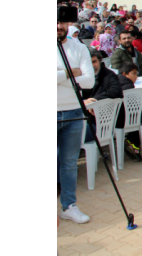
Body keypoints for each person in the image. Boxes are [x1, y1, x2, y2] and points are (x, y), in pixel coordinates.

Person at [57, 21, 95, 224]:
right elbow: (81, 76)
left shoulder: (79, 47)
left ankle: (69, 206)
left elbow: (89, 81)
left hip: (73, 111)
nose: (58, 25)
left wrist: (59, 77)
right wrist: (72, 72)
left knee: (70, 163)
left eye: (61, 21)